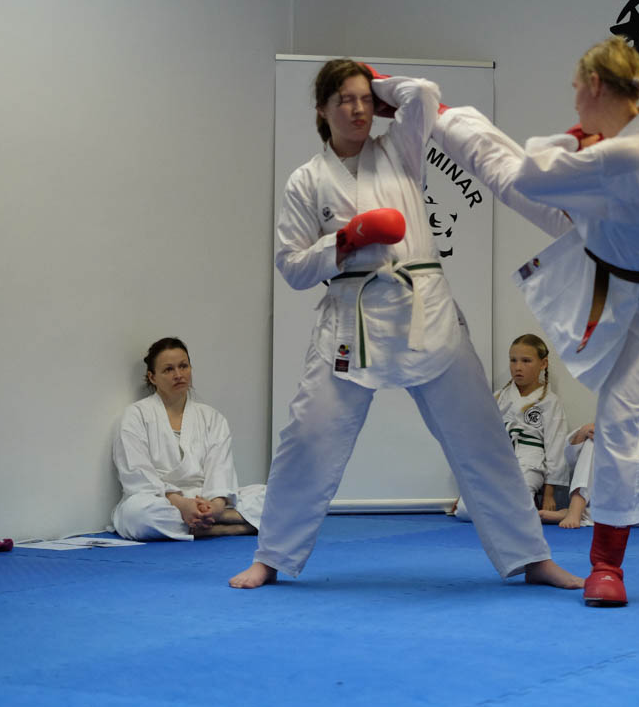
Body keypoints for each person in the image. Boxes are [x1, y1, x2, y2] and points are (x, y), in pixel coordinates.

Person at [230, 59, 581, 590]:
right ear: (321, 110)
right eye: (344, 100)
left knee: (483, 439)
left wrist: (383, 86)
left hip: (426, 312)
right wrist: (344, 240)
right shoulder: (306, 181)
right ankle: (271, 557)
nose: (357, 109)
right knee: (307, 439)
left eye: (364, 99)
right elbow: (293, 267)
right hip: (352, 321)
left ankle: (533, 557)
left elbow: (425, 95)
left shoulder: (399, 149)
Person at [433, 36, 639, 606]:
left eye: (577, 89)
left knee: (620, 417)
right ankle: (432, 111)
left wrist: (581, 138)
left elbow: (536, 175)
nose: (574, 98)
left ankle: (607, 565)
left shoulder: (625, 152)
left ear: (596, 86)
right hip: (600, 244)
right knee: (501, 175)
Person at [111, 338, 265, 541]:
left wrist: (216, 506)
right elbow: (137, 475)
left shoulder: (212, 417)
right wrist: (182, 504)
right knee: (137, 515)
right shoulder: (135, 416)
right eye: (168, 369)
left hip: (205, 497)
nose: (178, 375)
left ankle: (214, 520)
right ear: (152, 377)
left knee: (272, 495)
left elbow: (220, 469)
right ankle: (233, 526)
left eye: (183, 366)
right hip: (162, 500)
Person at [453, 333, 569, 520]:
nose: (518, 367)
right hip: (498, 460)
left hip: (530, 461)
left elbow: (556, 448)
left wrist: (549, 494)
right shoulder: (499, 397)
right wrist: (467, 489)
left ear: (543, 364)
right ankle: (520, 509)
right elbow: (483, 441)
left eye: (526, 361)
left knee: (516, 509)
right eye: (513, 360)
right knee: (464, 511)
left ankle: (526, 505)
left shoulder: (550, 401)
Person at [541, 411, 639, 529]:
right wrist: (582, 433)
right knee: (593, 437)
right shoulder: (605, 423)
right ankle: (576, 506)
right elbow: (572, 461)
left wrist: (619, 451)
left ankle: (577, 514)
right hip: (603, 491)